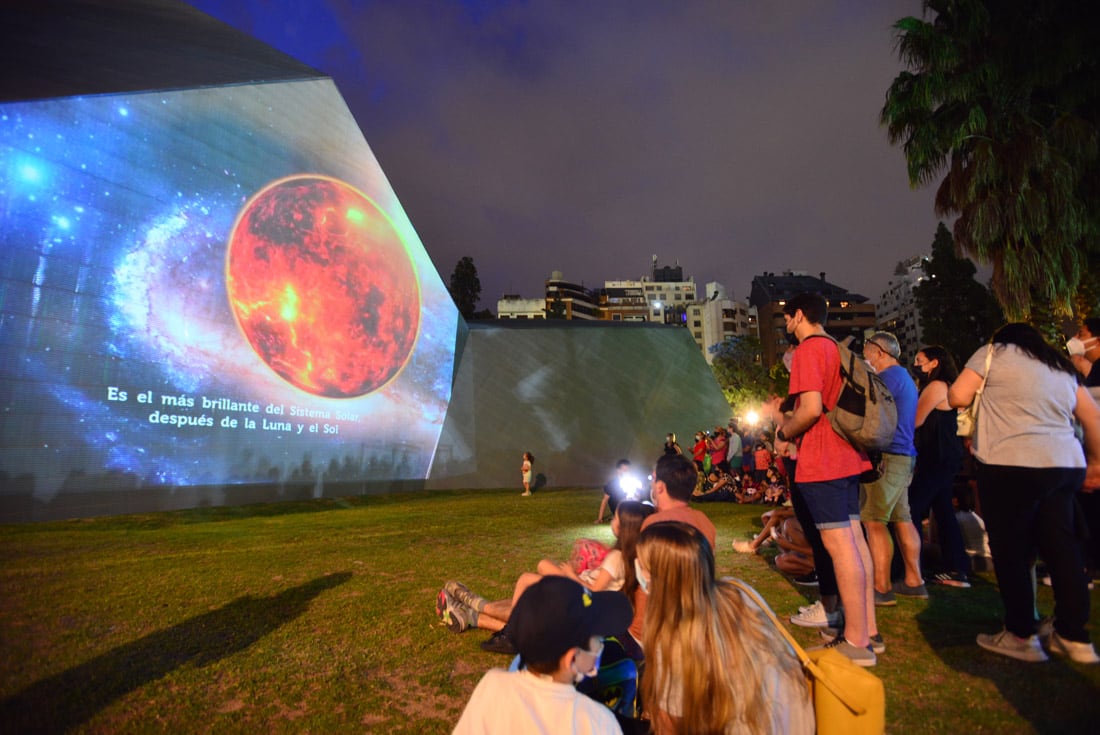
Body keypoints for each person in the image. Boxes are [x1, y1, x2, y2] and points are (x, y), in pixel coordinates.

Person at [948, 323, 1100, 664]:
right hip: (1063, 464)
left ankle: (1021, 634)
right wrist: (1096, 463)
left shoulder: (992, 354)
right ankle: (1073, 636)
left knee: (1013, 551)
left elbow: (957, 396)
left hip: (1009, 463)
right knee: (1063, 549)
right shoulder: (1058, 365)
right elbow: (1091, 416)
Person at [776, 292, 878, 666]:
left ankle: (856, 642)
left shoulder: (808, 350)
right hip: (850, 455)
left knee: (841, 548)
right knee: (855, 543)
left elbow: (811, 409)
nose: (786, 323)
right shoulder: (836, 348)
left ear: (799, 315)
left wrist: (786, 431)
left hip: (824, 457)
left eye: (787, 316)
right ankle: (868, 630)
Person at [636, 521, 813, 735]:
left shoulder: (674, 639)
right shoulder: (740, 591)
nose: (636, 566)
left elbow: (669, 728)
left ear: (659, 577)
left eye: (642, 565)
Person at [439, 502, 653, 657]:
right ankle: (469, 613)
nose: (612, 520)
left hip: (581, 602)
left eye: (615, 517)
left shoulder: (618, 557)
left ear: (624, 526)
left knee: (528, 580)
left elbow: (595, 592)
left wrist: (570, 575)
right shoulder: (628, 556)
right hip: (585, 604)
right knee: (527, 597)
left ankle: (497, 624)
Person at [452, 576, 631, 735]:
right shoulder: (598, 721)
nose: (602, 644)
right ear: (573, 659)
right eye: (598, 639)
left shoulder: (492, 685)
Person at [859, 331, 926, 610]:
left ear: (881, 352)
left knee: (875, 520)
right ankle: (914, 580)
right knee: (902, 518)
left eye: (867, 350)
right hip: (905, 455)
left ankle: (881, 587)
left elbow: (867, 408)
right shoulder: (905, 379)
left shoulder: (886, 378)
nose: (866, 356)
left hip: (888, 455)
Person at [908, 345, 971, 587]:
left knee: (912, 508)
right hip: (943, 457)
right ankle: (956, 568)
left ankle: (913, 567)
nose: (916, 364)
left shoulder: (936, 387)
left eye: (919, 360)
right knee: (943, 512)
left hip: (937, 457)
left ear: (935, 363)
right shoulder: (942, 386)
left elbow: (915, 420)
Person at [596, 460, 639, 524]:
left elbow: (637, 498)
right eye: (624, 470)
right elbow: (605, 500)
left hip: (631, 509)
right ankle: (619, 516)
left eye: (628, 470)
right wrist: (600, 518)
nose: (626, 472)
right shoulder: (612, 484)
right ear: (618, 470)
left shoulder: (632, 481)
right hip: (619, 510)